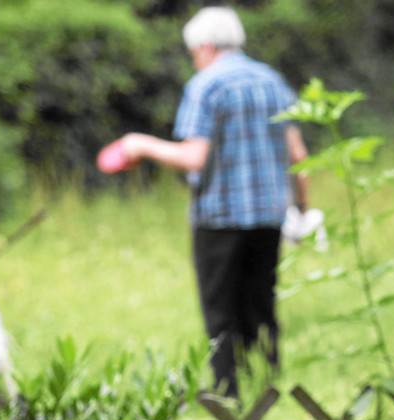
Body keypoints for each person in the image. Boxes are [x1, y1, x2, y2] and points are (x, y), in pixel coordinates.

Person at [117, 6, 308, 398]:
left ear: (204, 46)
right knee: (261, 300)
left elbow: (194, 157)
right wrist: (301, 209)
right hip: (269, 215)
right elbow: (298, 156)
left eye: (193, 52)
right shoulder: (272, 81)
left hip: (218, 217)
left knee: (220, 309)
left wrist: (141, 144)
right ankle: (269, 383)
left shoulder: (206, 85)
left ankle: (228, 393)